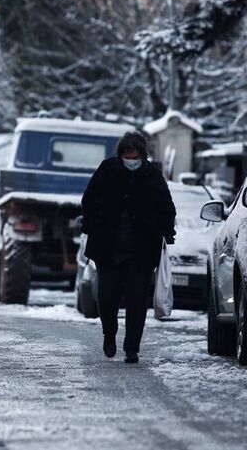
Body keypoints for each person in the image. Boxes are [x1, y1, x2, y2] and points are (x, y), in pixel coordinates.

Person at [81, 131, 176, 363]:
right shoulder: (108, 169)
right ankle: (109, 334)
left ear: (143, 155)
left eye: (134, 155)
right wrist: (91, 225)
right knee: (107, 297)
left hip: (141, 250)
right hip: (108, 247)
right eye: (126, 154)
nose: (130, 159)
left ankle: (132, 347)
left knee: (136, 301)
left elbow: (166, 206)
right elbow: (89, 199)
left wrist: (166, 232)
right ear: (120, 153)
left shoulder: (152, 175)